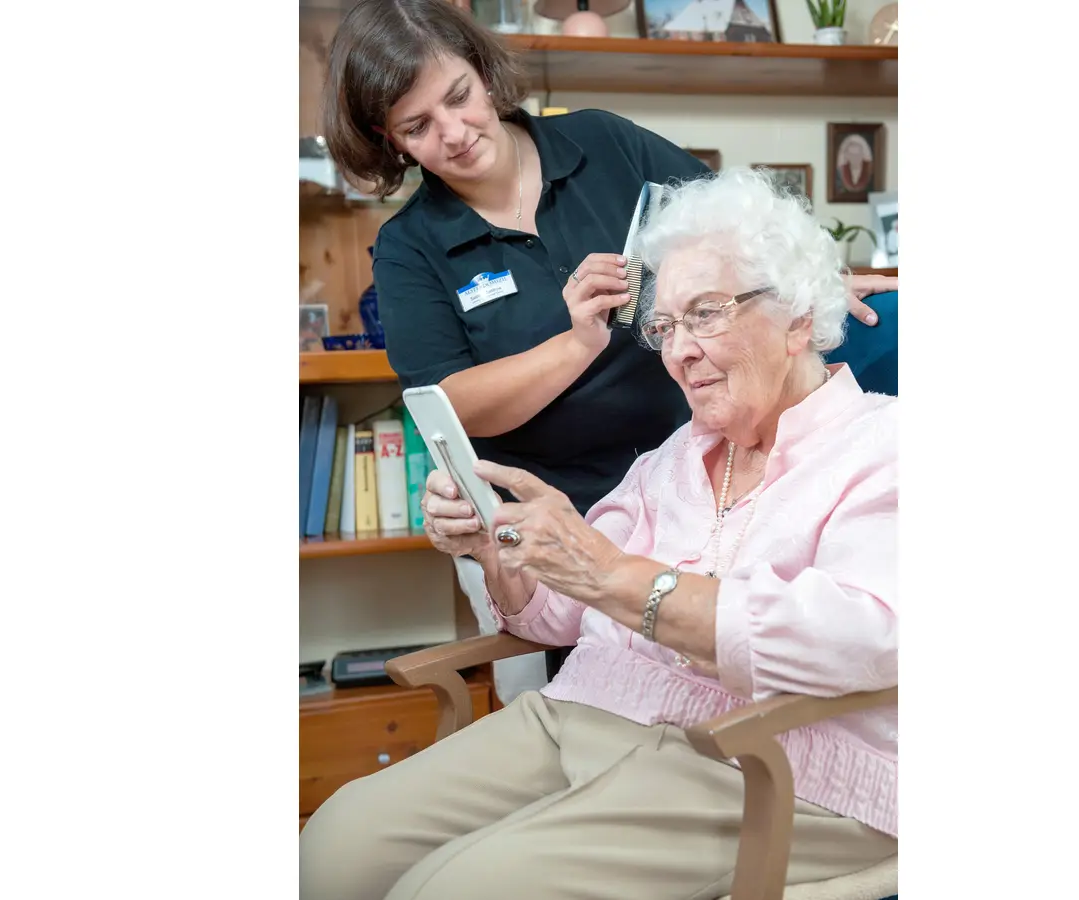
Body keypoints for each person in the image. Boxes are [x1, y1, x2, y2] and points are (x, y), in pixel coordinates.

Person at [300, 167, 898, 900]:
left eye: (705, 314)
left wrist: (617, 576)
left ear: (799, 317)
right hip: (590, 714)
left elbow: (866, 635)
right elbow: (553, 613)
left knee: (458, 890)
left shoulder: (886, 448)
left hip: (761, 758)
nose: (677, 351)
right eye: (664, 327)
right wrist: (499, 544)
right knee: (332, 849)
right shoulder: (672, 458)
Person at [321, 0, 896, 694]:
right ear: (390, 140)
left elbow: (737, 237)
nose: (456, 132)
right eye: (418, 126)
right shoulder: (411, 247)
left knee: (704, 688)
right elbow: (454, 407)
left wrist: (809, 278)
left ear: (481, 71)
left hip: (695, 476)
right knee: (597, 692)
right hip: (552, 518)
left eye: (459, 97)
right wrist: (576, 343)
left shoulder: (603, 143)